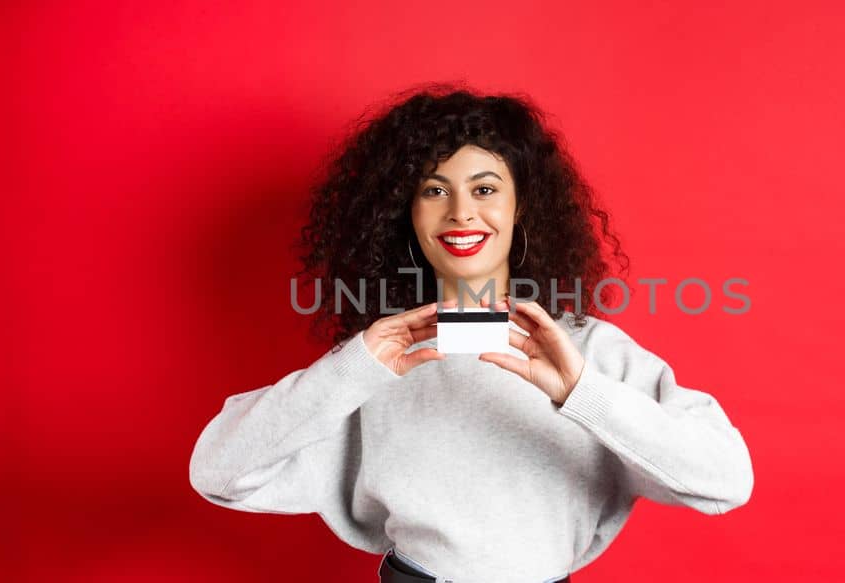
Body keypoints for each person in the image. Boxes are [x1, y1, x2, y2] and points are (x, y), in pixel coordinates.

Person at [188, 85, 754, 583]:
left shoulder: (588, 353)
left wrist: (582, 393)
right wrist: (352, 370)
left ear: (520, 207)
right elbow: (217, 473)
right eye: (435, 191)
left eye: (484, 189)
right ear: (405, 214)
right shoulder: (376, 359)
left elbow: (726, 481)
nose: (461, 213)